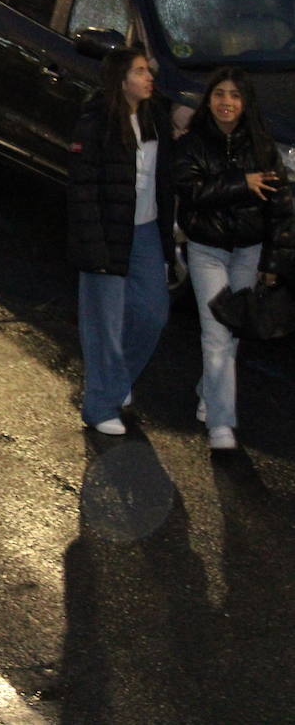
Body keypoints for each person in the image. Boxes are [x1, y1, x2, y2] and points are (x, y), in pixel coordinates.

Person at [173, 68, 291, 450]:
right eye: (220, 94)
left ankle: (211, 392)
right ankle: (222, 426)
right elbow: (190, 191)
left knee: (232, 333)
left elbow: (281, 208)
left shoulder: (261, 146)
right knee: (217, 333)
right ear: (209, 100)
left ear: (245, 103)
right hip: (206, 250)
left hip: (248, 251)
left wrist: (272, 265)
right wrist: (244, 182)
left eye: (235, 96)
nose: (226, 102)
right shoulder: (193, 143)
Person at [67, 47, 174, 436]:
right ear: (121, 79)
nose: (149, 78)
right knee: (104, 325)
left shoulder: (154, 119)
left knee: (152, 313)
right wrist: (92, 245)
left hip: (145, 230)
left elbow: (164, 181)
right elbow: (82, 188)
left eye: (149, 71)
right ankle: (99, 405)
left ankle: (116, 382)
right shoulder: (96, 122)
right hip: (107, 231)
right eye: (141, 71)